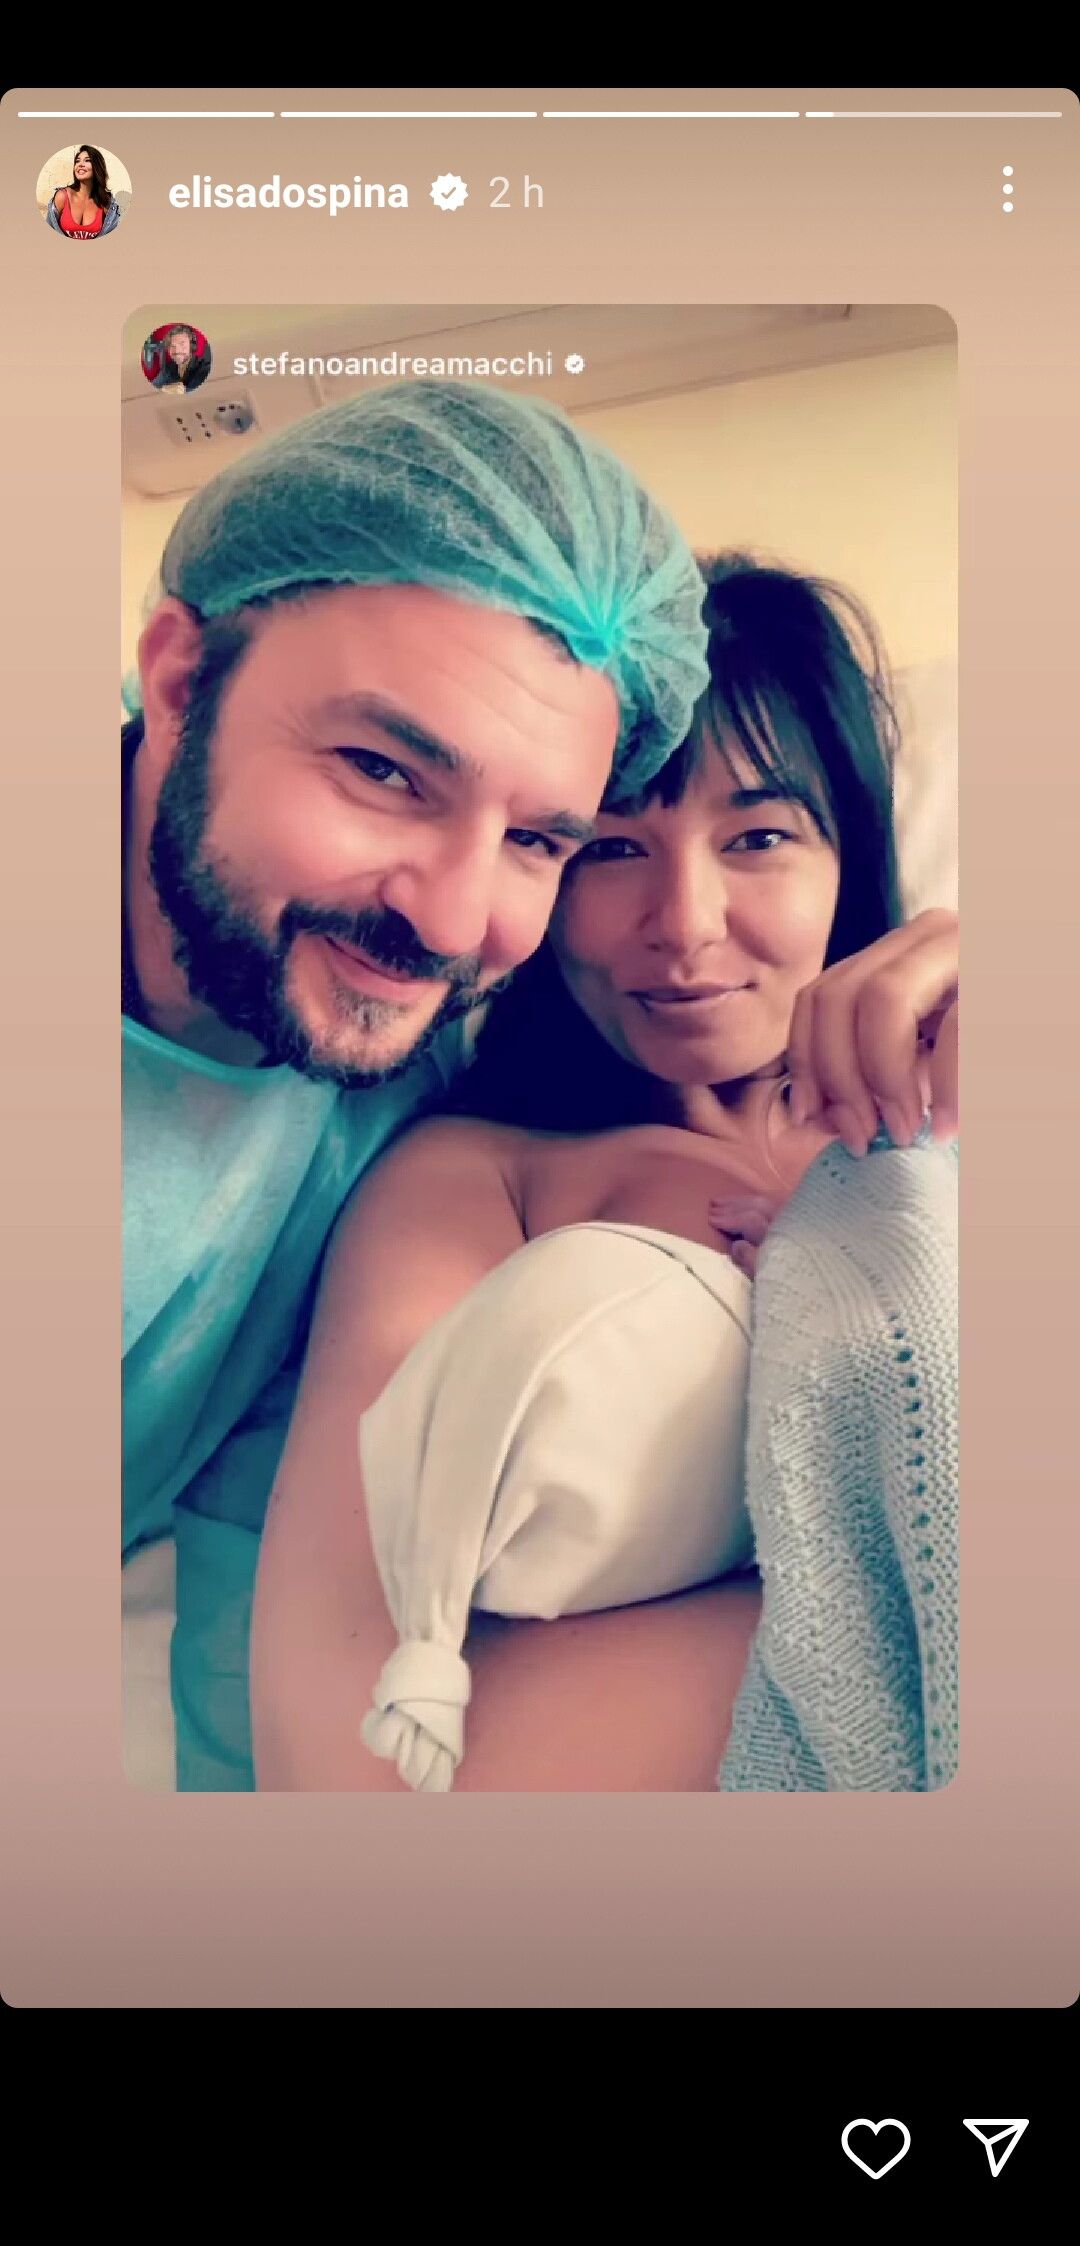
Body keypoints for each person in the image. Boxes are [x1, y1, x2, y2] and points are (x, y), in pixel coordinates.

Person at [249, 554, 960, 1792]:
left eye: (759, 836)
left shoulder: (964, 1090)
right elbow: (334, 1753)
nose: (683, 922)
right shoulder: (478, 1178)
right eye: (612, 848)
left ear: (850, 855)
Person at [121, 377, 712, 1790]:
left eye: (538, 840)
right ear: (181, 681)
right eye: (385, 770)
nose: (454, 922)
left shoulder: (409, 1080)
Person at [46, 145, 121, 239]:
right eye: (77, 161)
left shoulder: (106, 203)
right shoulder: (62, 196)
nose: (80, 164)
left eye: (87, 160)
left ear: (97, 166)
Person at [151, 325, 213, 393]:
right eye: (172, 346)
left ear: (192, 345)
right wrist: (164, 389)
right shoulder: (168, 370)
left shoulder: (204, 369)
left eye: (182, 344)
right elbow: (152, 387)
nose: (177, 351)